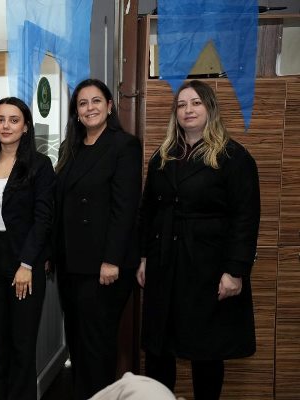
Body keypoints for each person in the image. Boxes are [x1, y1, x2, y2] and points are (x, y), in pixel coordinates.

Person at [136, 80, 260, 400]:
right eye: (181, 105)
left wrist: (235, 271)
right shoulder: (162, 157)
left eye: (195, 103)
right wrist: (144, 257)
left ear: (210, 109)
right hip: (164, 264)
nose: (187, 110)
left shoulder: (233, 157)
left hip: (208, 268)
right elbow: (148, 211)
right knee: (159, 348)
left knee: (206, 350)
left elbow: (245, 219)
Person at [53, 79, 142, 399]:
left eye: (96, 101)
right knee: (77, 342)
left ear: (109, 106)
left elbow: (125, 208)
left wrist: (112, 260)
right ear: (76, 112)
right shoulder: (70, 148)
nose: (89, 108)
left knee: (97, 345)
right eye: (82, 103)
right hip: (71, 263)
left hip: (105, 266)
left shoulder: (124, 146)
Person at [0, 97, 55, 400]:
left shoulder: (40, 165)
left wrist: (27, 264)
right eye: (0, 119)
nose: (6, 126)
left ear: (26, 127)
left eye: (14, 120)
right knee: (0, 345)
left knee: (22, 346)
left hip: (24, 259)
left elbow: (43, 219)